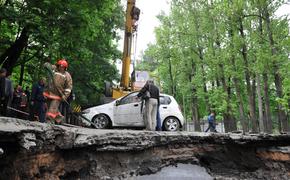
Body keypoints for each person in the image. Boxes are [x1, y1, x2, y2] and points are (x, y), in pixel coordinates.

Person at [43, 59, 72, 124]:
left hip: (58, 95)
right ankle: (60, 119)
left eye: (63, 67)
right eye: (60, 66)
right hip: (49, 93)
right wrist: (47, 64)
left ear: (65, 68)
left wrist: (65, 95)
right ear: (58, 65)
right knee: (50, 108)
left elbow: (68, 88)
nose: (61, 68)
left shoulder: (67, 75)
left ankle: (49, 122)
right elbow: (47, 65)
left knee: (52, 109)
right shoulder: (54, 70)